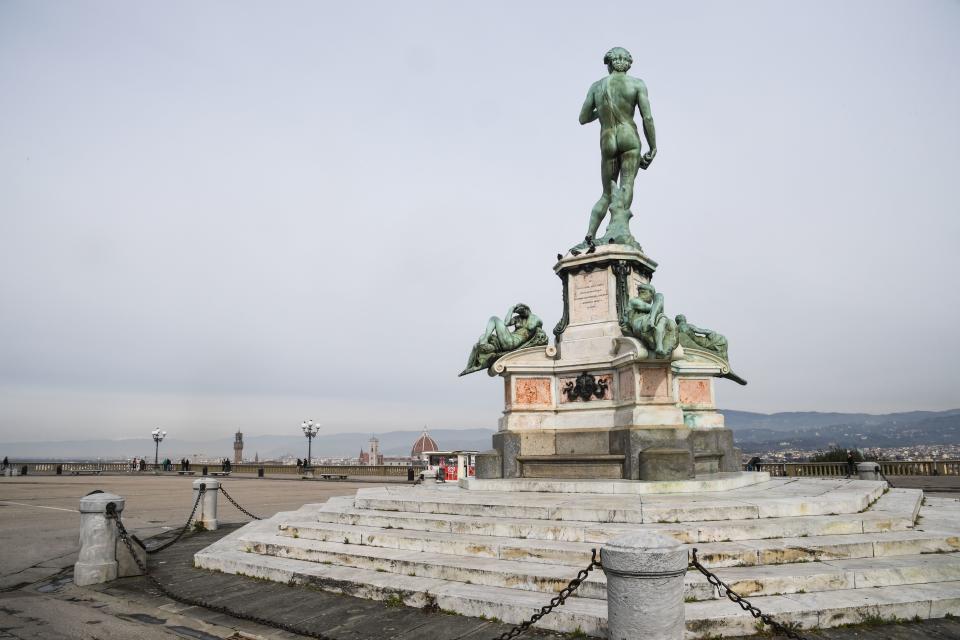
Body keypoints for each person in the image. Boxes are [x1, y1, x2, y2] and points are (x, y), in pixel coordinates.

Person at [579, 46, 656, 245]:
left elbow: (583, 117)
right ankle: (620, 228)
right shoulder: (637, 84)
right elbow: (646, 116)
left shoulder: (597, 86)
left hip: (607, 140)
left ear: (610, 63)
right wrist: (653, 146)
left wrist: (602, 110)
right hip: (629, 136)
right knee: (627, 184)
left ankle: (590, 234)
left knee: (606, 192)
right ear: (628, 63)